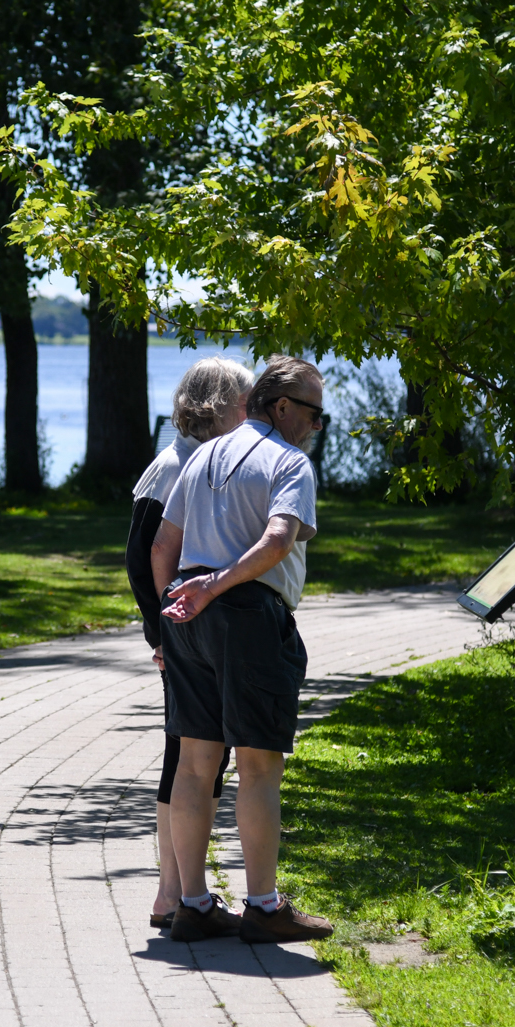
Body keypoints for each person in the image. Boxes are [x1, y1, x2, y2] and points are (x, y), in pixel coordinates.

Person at [152, 353, 334, 944]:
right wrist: (216, 587)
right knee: (258, 766)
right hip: (247, 614)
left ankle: (193, 904)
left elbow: (162, 547)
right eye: (312, 412)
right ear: (281, 407)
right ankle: (262, 906)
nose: (316, 425)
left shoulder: (202, 453)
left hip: (189, 615)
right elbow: (278, 540)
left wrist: (175, 610)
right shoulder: (289, 463)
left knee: (194, 763)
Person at [125, 358, 252, 931]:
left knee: (194, 752)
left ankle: (172, 891)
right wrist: (162, 632)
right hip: (184, 631)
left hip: (185, 628)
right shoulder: (179, 464)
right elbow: (142, 555)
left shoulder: (192, 460)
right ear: (221, 405)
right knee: (190, 753)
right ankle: (173, 893)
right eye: (245, 402)